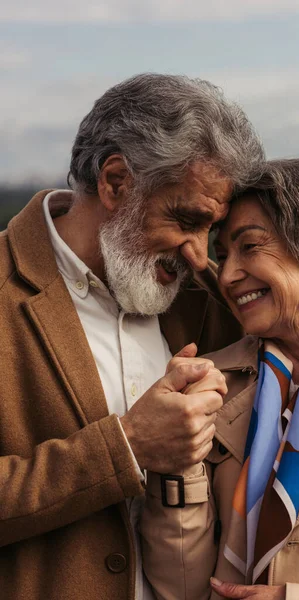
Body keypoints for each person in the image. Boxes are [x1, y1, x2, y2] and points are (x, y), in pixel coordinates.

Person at [0, 73, 265, 600]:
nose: (198, 254)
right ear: (116, 180)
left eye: (211, 231)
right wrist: (126, 447)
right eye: (187, 219)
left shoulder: (210, 299)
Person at [141, 158, 299, 600]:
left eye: (250, 247)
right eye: (223, 256)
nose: (226, 275)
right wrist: (175, 455)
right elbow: (178, 585)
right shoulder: (209, 387)